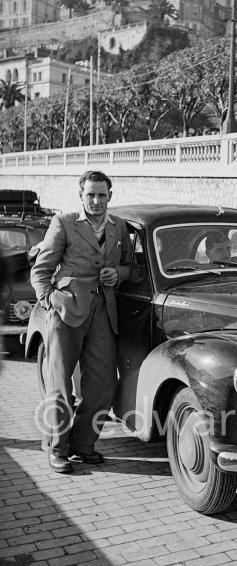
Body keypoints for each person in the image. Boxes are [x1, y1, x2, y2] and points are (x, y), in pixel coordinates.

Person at [31, 170, 131, 473]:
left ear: (110, 196)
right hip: (66, 311)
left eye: (102, 195)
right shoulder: (64, 223)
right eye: (91, 194)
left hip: (103, 311)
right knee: (60, 385)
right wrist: (49, 301)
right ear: (81, 196)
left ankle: (82, 444)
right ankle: (56, 448)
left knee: (103, 385)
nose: (97, 200)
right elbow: (41, 269)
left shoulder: (120, 227)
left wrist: (119, 274)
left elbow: (129, 264)